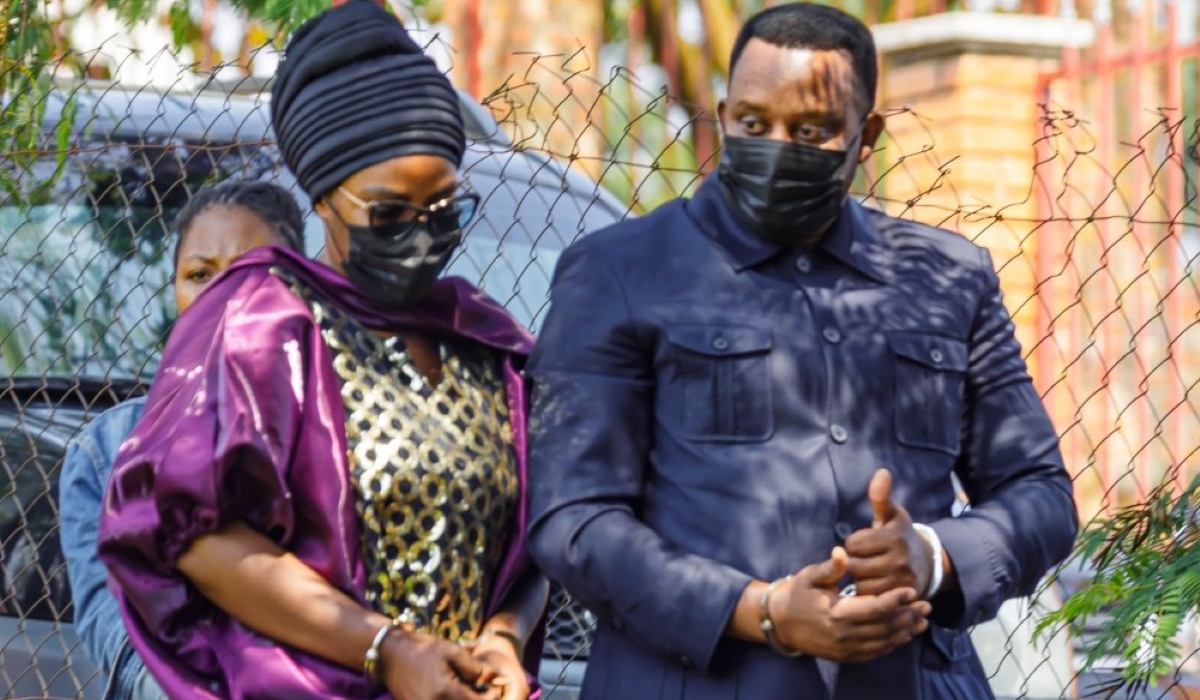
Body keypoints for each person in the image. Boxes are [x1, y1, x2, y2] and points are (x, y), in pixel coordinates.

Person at [524, 3, 1079, 700]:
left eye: (811, 130)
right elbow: (572, 517)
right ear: (724, 115)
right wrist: (760, 611)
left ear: (866, 135)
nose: (777, 145)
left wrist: (933, 557)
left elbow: (1041, 495)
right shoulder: (619, 272)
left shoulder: (949, 280)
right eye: (754, 125)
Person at [97, 2, 547, 699]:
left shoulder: (488, 343)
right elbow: (191, 533)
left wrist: (503, 639)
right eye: (390, 213)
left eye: (445, 206)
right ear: (324, 201)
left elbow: (534, 537)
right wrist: (385, 649)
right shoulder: (263, 322)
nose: (423, 234)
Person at [61, 180, 306, 700]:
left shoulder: (342, 426)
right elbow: (123, 648)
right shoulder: (104, 450)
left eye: (250, 272)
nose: (222, 294)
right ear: (174, 292)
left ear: (299, 287)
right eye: (199, 275)